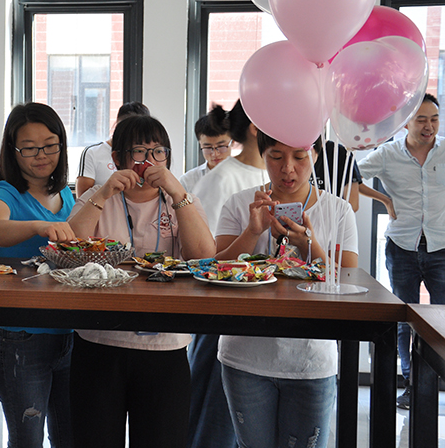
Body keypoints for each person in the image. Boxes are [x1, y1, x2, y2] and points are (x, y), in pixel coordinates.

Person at [68, 114, 215, 447]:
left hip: (166, 343)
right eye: (138, 151)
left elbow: (203, 257)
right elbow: (70, 248)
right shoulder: (98, 197)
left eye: (158, 152)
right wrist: (103, 192)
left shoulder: (182, 200)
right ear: (117, 158)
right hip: (100, 338)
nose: (149, 161)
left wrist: (177, 193)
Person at [214, 131, 357, 448]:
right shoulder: (240, 204)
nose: (287, 168)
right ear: (262, 156)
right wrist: (253, 231)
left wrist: (308, 244)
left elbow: (349, 280)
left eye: (299, 157)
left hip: (312, 359)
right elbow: (217, 269)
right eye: (276, 157)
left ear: (315, 155)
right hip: (245, 355)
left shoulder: (338, 210)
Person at [0, 102, 76, 448]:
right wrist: (38, 226)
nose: (42, 155)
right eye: (29, 148)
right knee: (27, 440)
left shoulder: (65, 193)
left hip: (71, 331)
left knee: (70, 437)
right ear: (13, 149)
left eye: (50, 145)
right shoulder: (5, 192)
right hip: (22, 335)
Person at [186, 100, 267, 448]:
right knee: (214, 414)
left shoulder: (268, 173)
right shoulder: (223, 177)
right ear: (256, 127)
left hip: (257, 310)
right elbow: (203, 252)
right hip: (222, 311)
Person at [358, 93, 445, 409]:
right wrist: (384, 199)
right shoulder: (387, 154)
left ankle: (439, 379)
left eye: (434, 119)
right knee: (404, 319)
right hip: (402, 248)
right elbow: (352, 176)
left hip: (441, 247)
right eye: (421, 120)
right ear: (406, 122)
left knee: (442, 317)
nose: (429, 126)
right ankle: (411, 385)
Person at [75, 101, 150, 197]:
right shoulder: (93, 152)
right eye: (127, 127)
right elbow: (83, 198)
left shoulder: (150, 155)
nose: (131, 134)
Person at [180, 106, 232, 193]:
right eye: (208, 148)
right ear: (200, 144)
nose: (215, 154)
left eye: (221, 146)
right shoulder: (188, 181)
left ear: (232, 142)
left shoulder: (245, 176)